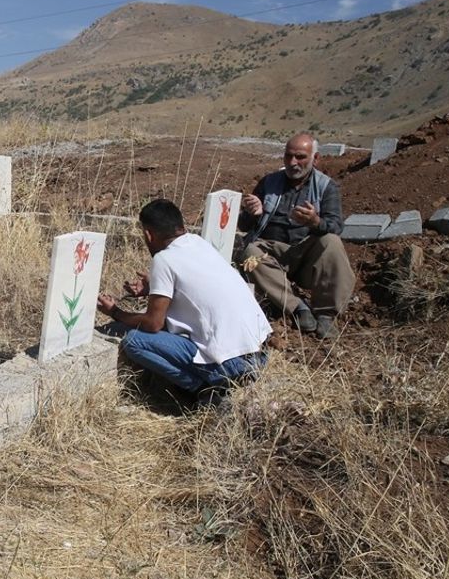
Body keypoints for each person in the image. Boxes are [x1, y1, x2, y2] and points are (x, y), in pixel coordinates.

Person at [97, 199, 272, 408]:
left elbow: (153, 323)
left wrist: (115, 312)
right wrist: (153, 289)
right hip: (259, 355)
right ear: (182, 227)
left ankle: (206, 392)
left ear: (148, 235)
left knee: (135, 341)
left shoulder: (164, 259)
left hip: (230, 365)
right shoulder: (199, 243)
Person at [238, 132, 355, 339]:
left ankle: (326, 315)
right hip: (270, 253)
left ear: (315, 159)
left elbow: (336, 226)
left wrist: (315, 222)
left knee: (331, 241)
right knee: (249, 253)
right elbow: (244, 225)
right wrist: (252, 214)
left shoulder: (326, 187)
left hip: (305, 254)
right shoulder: (269, 182)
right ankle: (297, 307)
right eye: (288, 156)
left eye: (300, 157)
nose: (293, 163)